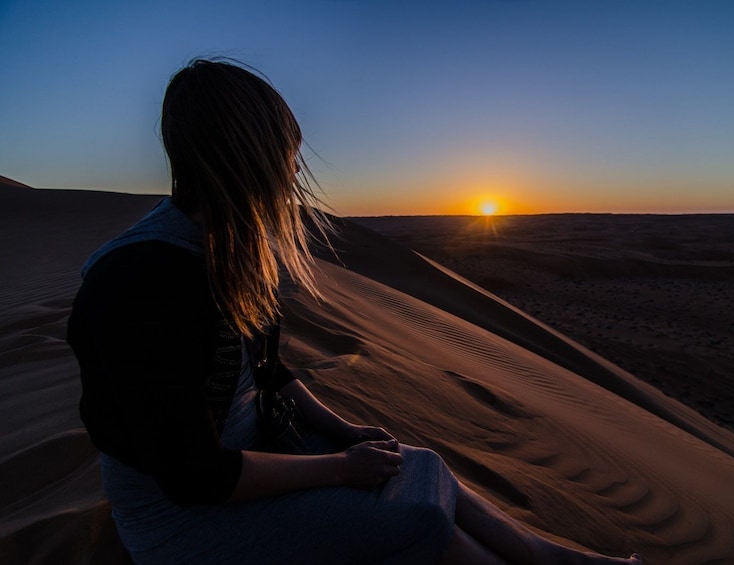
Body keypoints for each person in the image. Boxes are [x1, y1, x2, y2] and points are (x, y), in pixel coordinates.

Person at [67, 58, 641, 565]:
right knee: (415, 514)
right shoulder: (142, 281)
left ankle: (546, 556)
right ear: (246, 156)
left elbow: (269, 373)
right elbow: (193, 477)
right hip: (186, 521)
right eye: (285, 158)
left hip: (258, 454)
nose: (293, 175)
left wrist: (342, 433)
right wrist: (340, 467)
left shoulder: (226, 248)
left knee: (420, 465)